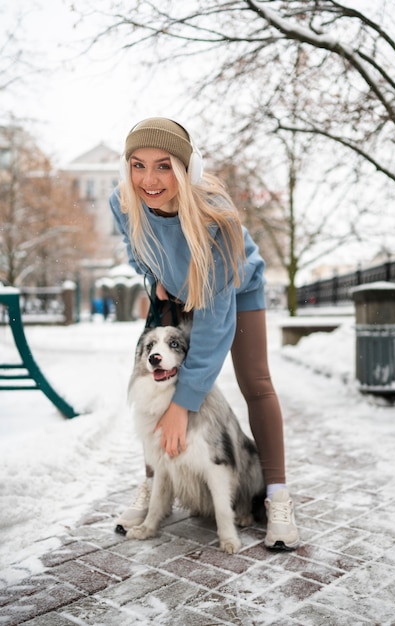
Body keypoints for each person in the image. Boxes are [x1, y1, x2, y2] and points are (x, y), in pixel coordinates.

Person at [110, 117, 299, 550]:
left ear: (185, 169)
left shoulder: (216, 221)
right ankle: (155, 483)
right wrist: (152, 275)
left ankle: (276, 496)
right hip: (176, 287)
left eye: (164, 166)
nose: (149, 179)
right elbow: (133, 244)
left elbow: (215, 329)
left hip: (234, 285)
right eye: (138, 165)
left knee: (257, 382)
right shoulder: (121, 200)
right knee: (151, 379)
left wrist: (186, 403)